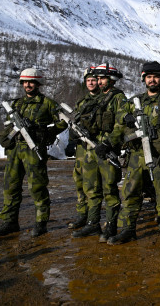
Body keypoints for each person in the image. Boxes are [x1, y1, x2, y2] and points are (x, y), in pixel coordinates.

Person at [99, 61, 160, 246]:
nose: (152, 80)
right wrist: (109, 142)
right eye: (149, 77)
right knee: (130, 194)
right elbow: (119, 127)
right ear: (144, 79)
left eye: (156, 77)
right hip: (136, 157)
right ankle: (128, 230)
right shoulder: (133, 102)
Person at [0, 68, 67, 238]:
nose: (28, 85)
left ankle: (41, 223)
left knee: (37, 187)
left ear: (38, 84)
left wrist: (46, 133)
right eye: (25, 82)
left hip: (33, 150)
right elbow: (9, 125)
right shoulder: (17, 104)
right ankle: (10, 222)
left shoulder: (48, 103)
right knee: (10, 187)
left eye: (31, 82)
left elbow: (63, 122)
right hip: (15, 150)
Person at [84, 63, 128, 242]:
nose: (98, 81)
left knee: (109, 188)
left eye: (102, 78)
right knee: (92, 188)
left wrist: (109, 143)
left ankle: (111, 225)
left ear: (110, 79)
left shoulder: (118, 98)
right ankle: (92, 222)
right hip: (91, 149)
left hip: (107, 149)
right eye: (97, 78)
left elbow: (121, 124)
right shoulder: (95, 99)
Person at [65, 66, 100, 231]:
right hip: (80, 149)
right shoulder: (82, 102)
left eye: (93, 80)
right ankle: (82, 215)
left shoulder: (103, 100)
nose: (91, 83)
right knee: (79, 182)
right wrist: (71, 141)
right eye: (88, 81)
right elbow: (75, 124)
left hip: (93, 149)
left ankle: (93, 220)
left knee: (91, 186)